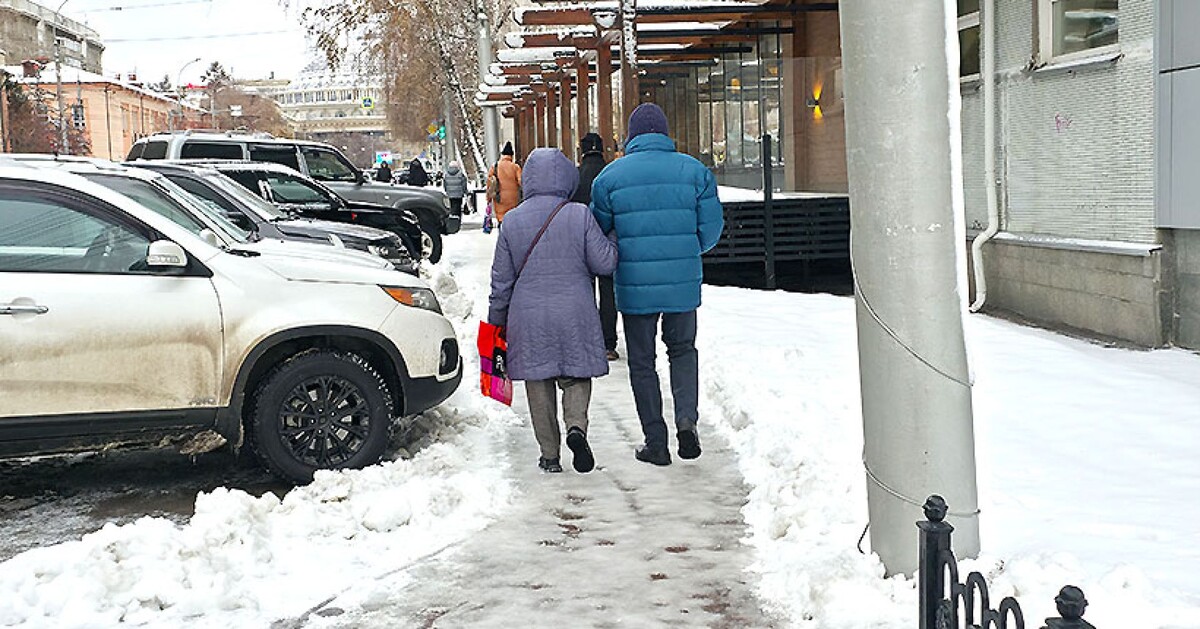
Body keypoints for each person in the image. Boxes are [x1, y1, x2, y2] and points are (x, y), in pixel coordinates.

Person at [590, 103, 724, 467]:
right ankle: (686, 423)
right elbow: (712, 229)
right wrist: (686, 249)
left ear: (632, 135)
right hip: (682, 284)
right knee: (682, 351)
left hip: (634, 285)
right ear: (664, 133)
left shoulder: (609, 178)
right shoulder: (695, 172)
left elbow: (597, 233)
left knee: (642, 362)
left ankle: (655, 441)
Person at [489, 147, 618, 474]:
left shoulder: (513, 221)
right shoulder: (579, 214)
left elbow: (501, 282)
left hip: (527, 316)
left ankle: (549, 454)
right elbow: (605, 263)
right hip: (574, 310)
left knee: (538, 382)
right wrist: (613, 237)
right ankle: (577, 428)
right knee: (575, 375)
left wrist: (495, 326)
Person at [571, 132, 619, 362]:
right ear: (602, 149)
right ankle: (608, 343)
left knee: (585, 292)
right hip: (608, 240)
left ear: (582, 151)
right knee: (609, 293)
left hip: (581, 241)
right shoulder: (612, 173)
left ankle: (589, 341)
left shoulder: (575, 176)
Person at [487, 142, 522, 225]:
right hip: (513, 199)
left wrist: (488, 199)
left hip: (499, 198)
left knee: (501, 218)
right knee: (512, 220)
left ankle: (502, 233)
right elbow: (521, 182)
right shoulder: (515, 167)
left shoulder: (495, 166)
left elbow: (489, 184)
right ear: (511, 156)